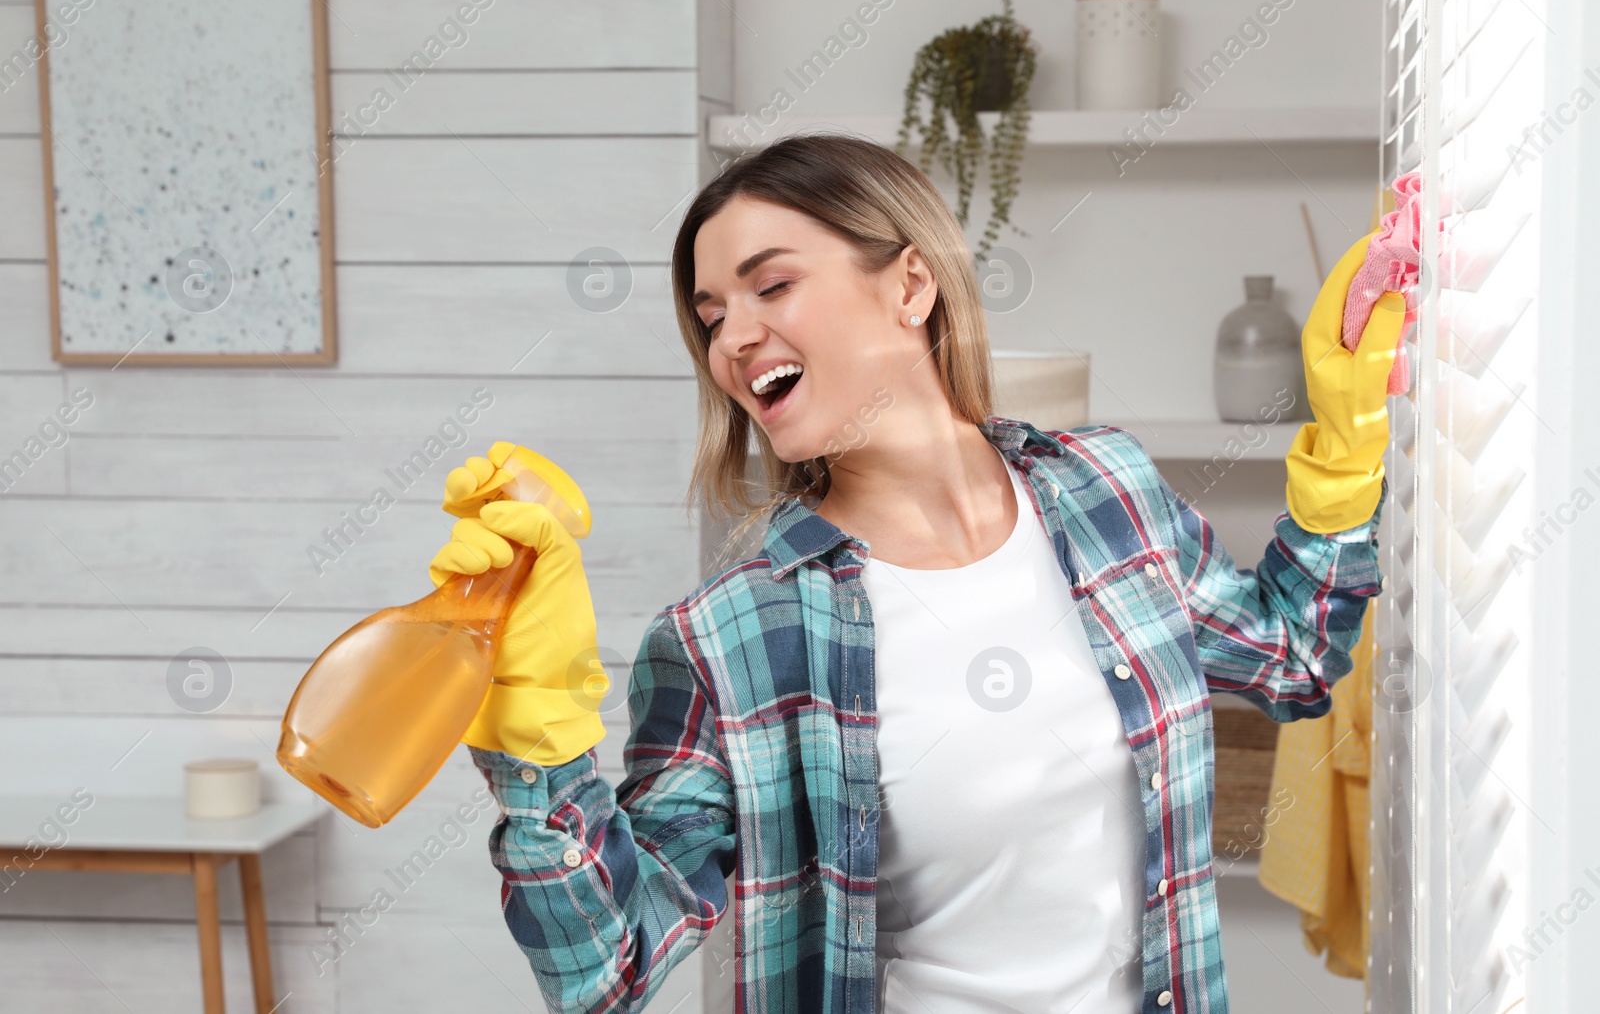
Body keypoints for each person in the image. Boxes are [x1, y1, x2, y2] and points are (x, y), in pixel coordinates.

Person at [426, 134, 1406, 1014]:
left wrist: (1346, 440)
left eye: (770, 287)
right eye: (710, 314)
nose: (731, 339)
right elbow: (605, 971)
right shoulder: (735, 633)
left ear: (910, 285)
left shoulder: (1104, 490)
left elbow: (1290, 657)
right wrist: (540, 742)